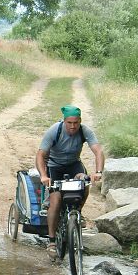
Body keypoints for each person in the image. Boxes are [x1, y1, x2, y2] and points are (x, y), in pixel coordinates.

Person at [35, 105, 105, 258]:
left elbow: (98, 151)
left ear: (80, 121)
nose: (73, 126)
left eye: (76, 123)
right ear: (64, 121)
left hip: (74, 164)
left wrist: (98, 172)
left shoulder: (85, 131)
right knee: (55, 201)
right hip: (54, 166)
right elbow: (40, 155)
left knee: (84, 183)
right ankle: (51, 241)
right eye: (69, 123)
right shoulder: (55, 130)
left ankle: (77, 212)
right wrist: (43, 176)